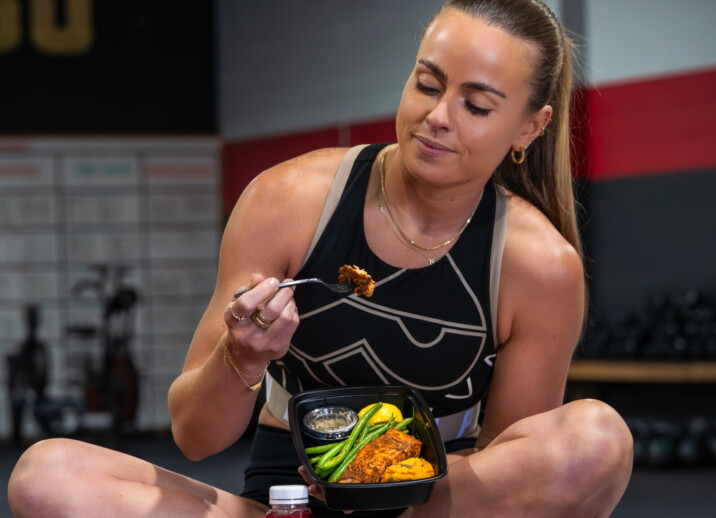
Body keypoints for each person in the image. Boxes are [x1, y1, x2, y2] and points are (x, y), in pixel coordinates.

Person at [8, 1, 633, 516]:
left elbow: (510, 481)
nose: (437, 118)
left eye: (476, 105)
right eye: (427, 83)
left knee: (597, 441)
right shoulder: (287, 201)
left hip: (429, 503)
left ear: (530, 127)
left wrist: (389, 489)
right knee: (46, 475)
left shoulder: (539, 265)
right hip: (284, 503)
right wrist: (242, 356)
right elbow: (195, 438)